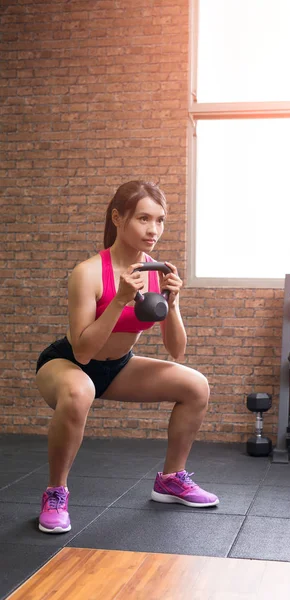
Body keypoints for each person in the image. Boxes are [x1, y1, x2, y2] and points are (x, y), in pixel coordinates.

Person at [35, 180, 219, 534]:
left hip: (118, 366)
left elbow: (176, 351)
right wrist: (119, 299)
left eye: (160, 220)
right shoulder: (88, 273)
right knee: (79, 391)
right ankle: (55, 492)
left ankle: (170, 480)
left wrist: (173, 302)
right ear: (118, 219)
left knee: (196, 385)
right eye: (144, 219)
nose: (154, 230)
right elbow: (84, 352)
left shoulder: (156, 272)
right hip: (68, 364)